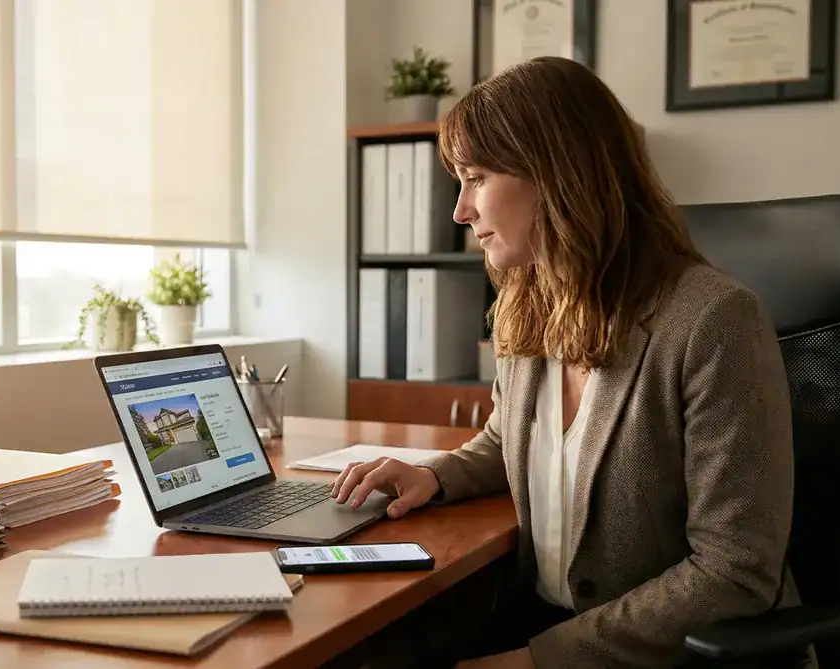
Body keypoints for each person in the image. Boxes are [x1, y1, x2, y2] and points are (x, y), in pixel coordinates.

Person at [332, 56, 807, 669]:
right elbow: (511, 438)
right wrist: (439, 475)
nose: (460, 211)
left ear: (556, 175)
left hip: (665, 655)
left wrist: (537, 661)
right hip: (539, 621)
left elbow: (734, 573)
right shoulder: (528, 303)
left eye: (475, 179)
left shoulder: (713, 322)